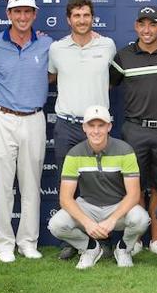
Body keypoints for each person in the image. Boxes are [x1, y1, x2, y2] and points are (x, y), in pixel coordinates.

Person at [0, 0, 52, 263]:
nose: (22, 17)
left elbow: (55, 72)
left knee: (31, 184)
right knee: (0, 184)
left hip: (34, 118)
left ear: (34, 15)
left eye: (27, 12)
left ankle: (27, 242)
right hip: (1, 117)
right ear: (8, 15)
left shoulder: (47, 45)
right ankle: (3, 244)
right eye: (17, 12)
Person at [48, 0, 117, 260]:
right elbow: (52, 76)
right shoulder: (57, 49)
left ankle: (105, 238)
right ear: (68, 19)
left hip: (99, 126)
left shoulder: (107, 46)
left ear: (93, 17)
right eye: (76, 16)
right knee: (67, 184)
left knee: (104, 183)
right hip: (67, 125)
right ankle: (73, 240)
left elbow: (112, 79)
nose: (81, 20)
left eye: (86, 15)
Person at [48, 105, 150, 269]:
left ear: (109, 126)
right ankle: (90, 248)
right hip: (88, 206)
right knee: (56, 225)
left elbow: (133, 194)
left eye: (101, 125)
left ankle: (123, 249)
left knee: (141, 219)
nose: (96, 131)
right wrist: (87, 223)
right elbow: (65, 199)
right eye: (91, 125)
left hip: (117, 206)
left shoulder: (125, 150)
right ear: (84, 127)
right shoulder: (74, 154)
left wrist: (112, 219)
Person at [110, 6, 157, 258]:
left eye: (152, 24)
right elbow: (106, 85)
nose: (147, 30)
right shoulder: (124, 55)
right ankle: (135, 238)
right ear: (136, 27)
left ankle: (156, 241)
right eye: (142, 24)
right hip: (134, 129)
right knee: (134, 185)